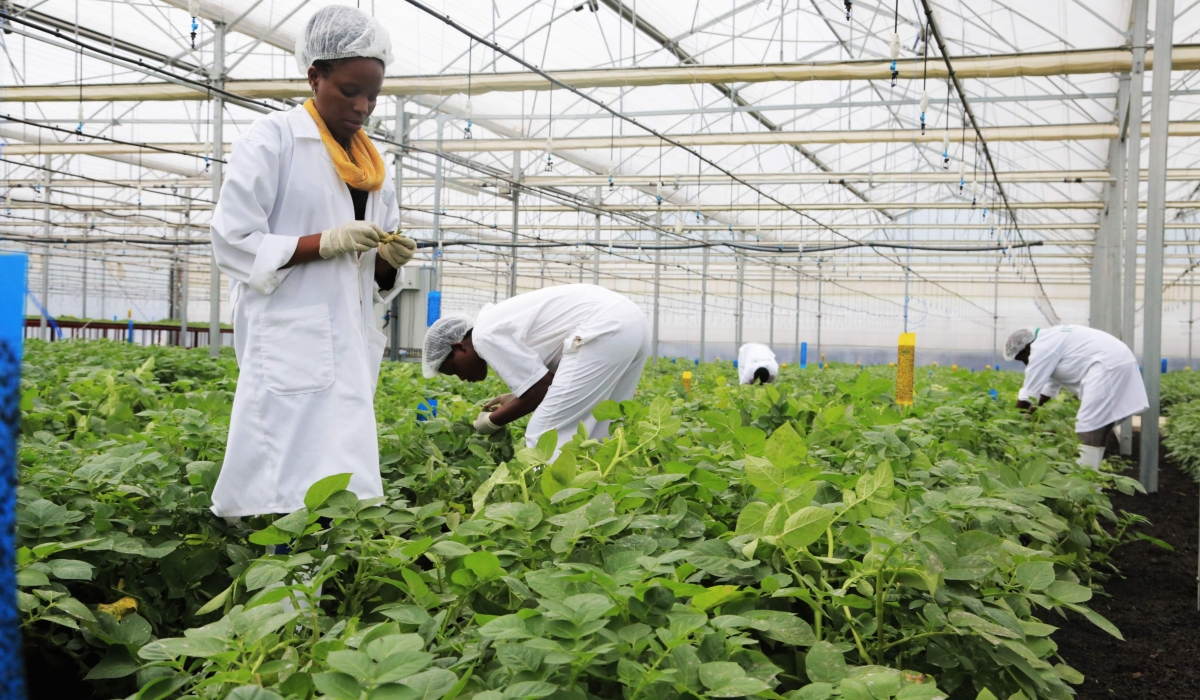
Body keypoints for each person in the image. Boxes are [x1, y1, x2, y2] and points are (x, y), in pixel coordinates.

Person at [208, 6, 417, 518]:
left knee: (344, 485)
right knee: (280, 481)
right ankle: (272, 574)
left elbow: (369, 281)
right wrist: (320, 243)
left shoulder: (371, 167)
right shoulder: (273, 141)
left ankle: (327, 577)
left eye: (373, 95)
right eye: (350, 91)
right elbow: (231, 240)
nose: (363, 106)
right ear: (314, 76)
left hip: (347, 341)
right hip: (289, 337)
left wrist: (388, 264)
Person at [424, 284, 650, 454]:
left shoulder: (483, 336)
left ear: (459, 346)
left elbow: (539, 390)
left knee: (543, 435)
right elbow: (549, 381)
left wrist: (491, 422)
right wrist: (514, 397)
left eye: (454, 370)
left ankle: (550, 505)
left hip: (605, 327)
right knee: (600, 423)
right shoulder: (494, 323)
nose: (462, 378)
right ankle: (597, 492)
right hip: (632, 322)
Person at [1003, 325, 1148, 471]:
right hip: (1116, 363)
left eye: (1022, 358)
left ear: (1026, 348)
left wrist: (1012, 424)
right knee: (1100, 424)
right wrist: (1029, 414)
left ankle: (1084, 482)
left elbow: (1029, 393)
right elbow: (1047, 389)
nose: (1025, 363)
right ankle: (1092, 479)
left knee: (1088, 424)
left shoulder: (1041, 348)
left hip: (1107, 367)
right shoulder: (1051, 341)